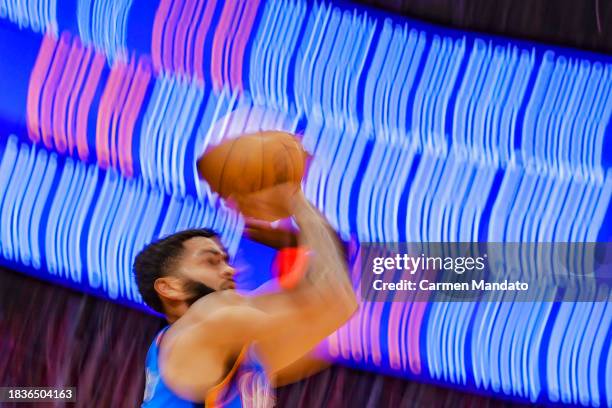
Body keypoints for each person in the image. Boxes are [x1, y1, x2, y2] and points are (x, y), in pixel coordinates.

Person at [134, 183, 358, 407]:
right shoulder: (205, 320)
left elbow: (336, 301)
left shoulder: (236, 348)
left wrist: (301, 218)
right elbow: (332, 299)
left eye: (226, 260)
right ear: (170, 288)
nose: (230, 269)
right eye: (210, 261)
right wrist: (295, 198)